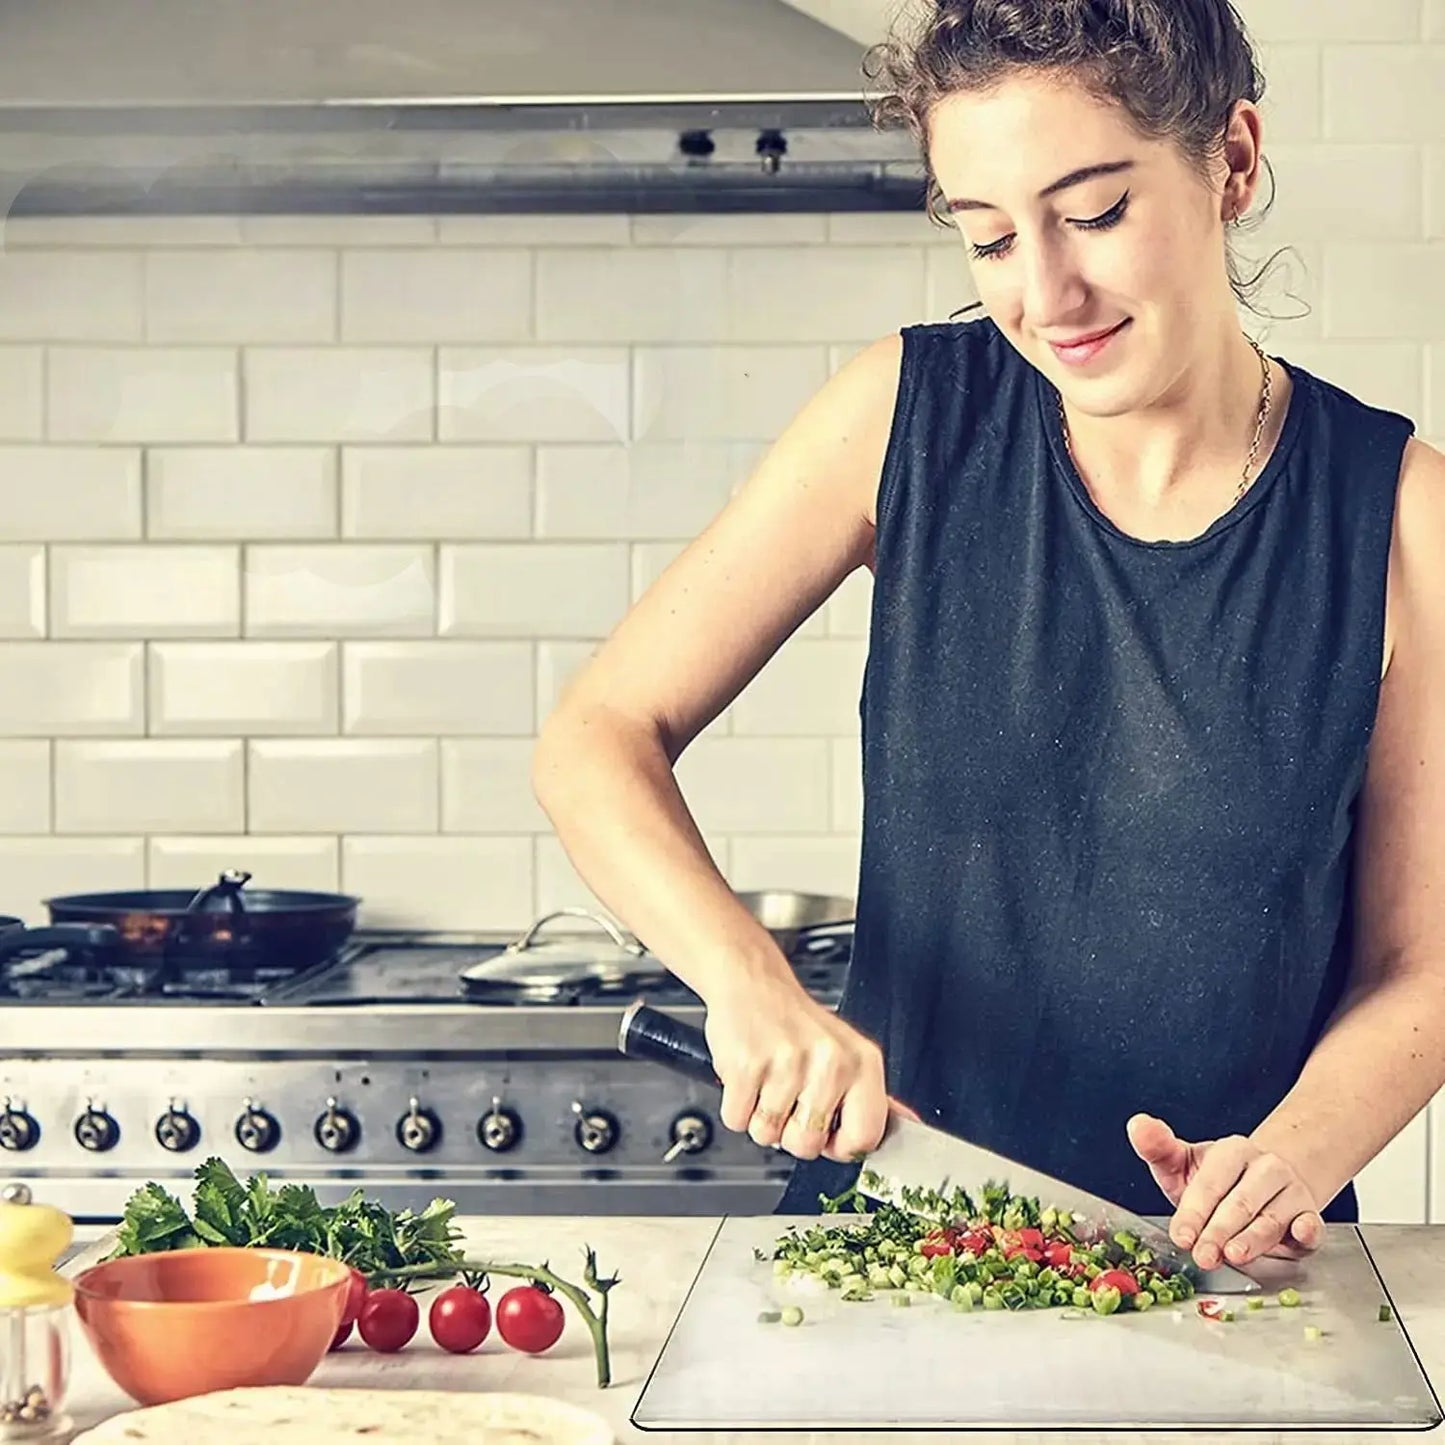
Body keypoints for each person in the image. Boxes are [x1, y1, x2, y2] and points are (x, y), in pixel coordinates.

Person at [532, 0, 1445, 1276]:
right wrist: (747, 981)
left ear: (1231, 159)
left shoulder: (1402, 517)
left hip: (1220, 1282)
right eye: (988, 237)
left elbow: (1420, 964)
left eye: (1093, 213)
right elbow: (595, 735)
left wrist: (1293, 1149)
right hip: (889, 1253)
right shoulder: (906, 417)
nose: (1044, 292)